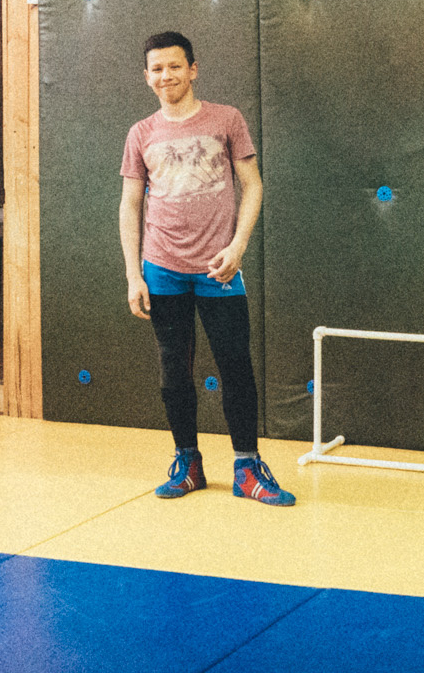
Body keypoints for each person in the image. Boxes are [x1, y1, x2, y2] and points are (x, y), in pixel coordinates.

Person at [119, 31, 294, 506]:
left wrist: (238, 247)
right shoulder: (141, 133)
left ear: (193, 69)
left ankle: (247, 469)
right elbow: (130, 203)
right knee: (173, 369)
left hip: (220, 268)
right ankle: (188, 463)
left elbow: (253, 185)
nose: (166, 76)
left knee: (235, 365)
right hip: (162, 268)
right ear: (146, 76)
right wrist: (134, 274)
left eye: (174, 66)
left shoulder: (226, 119)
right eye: (157, 68)